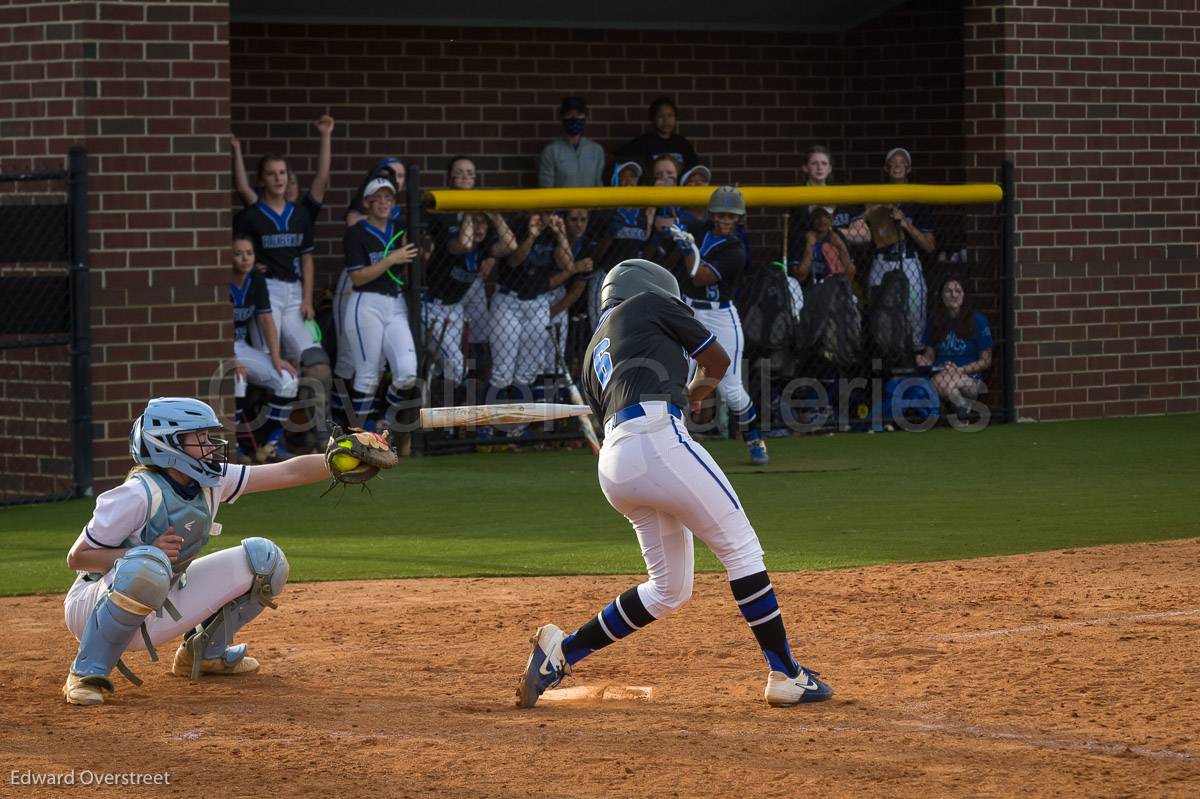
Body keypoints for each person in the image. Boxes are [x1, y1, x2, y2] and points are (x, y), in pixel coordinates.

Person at [515, 259, 832, 709]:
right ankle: (786, 673)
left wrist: (683, 396)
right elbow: (717, 362)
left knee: (669, 588)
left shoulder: (591, 352)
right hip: (656, 440)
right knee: (741, 549)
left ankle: (561, 653)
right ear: (650, 289)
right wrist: (695, 393)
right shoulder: (649, 304)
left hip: (615, 462)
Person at [61, 397, 339, 706]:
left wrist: (337, 459)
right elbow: (78, 557)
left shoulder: (209, 480)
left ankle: (205, 654)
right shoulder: (137, 494)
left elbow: (289, 473)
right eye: (201, 438)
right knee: (147, 564)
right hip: (93, 606)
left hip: (160, 597)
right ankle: (85, 673)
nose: (211, 445)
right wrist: (138, 552)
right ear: (169, 444)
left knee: (266, 561)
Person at [232, 124, 336, 454]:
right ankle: (264, 441)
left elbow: (307, 259)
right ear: (262, 179)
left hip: (295, 296)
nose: (278, 179)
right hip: (267, 296)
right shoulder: (251, 215)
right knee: (274, 367)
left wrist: (307, 298)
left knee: (317, 363)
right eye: (272, 174)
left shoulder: (300, 214)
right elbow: (239, 243)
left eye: (283, 173)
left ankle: (321, 437)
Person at [669, 186, 769, 466]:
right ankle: (675, 443)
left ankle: (754, 439)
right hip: (689, 310)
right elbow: (672, 219)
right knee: (676, 377)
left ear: (739, 219)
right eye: (721, 215)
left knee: (731, 389)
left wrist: (688, 248)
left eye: (731, 216)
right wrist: (673, 226)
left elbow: (699, 276)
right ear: (712, 214)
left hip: (720, 316)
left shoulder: (736, 249)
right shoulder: (700, 229)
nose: (726, 220)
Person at [487, 212, 591, 417]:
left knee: (527, 371)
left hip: (538, 303)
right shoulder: (519, 225)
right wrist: (532, 236)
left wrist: (561, 236)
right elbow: (515, 261)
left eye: (550, 212)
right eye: (542, 212)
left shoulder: (554, 232)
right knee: (502, 372)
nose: (546, 217)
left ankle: (517, 424)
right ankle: (489, 425)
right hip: (509, 301)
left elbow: (568, 266)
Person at [341, 177, 420, 431]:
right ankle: (356, 436)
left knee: (407, 372)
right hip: (366, 302)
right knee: (367, 374)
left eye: (389, 197)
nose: (384, 202)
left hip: (396, 302)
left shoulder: (400, 228)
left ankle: (384, 420)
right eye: (378, 197)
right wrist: (391, 259)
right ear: (367, 202)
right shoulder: (356, 232)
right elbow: (357, 277)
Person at [844, 147, 936, 351]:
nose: (897, 166)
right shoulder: (876, 194)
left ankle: (914, 355)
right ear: (886, 168)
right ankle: (883, 358)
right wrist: (876, 207)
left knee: (913, 310)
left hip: (909, 260)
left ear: (908, 168)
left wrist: (906, 224)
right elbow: (856, 227)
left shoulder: (918, 198)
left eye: (901, 162)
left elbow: (929, 246)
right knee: (879, 311)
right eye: (892, 163)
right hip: (881, 261)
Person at [423, 212, 514, 397]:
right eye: (475, 221)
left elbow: (510, 245)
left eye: (483, 224)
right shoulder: (450, 242)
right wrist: (468, 214)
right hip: (431, 308)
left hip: (454, 309)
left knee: (447, 368)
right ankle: (442, 407)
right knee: (457, 365)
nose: (480, 227)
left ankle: (447, 418)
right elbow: (464, 244)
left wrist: (495, 216)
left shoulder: (483, 248)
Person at [229, 233, 298, 462]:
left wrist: (276, 357)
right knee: (237, 380)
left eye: (249, 253)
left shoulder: (256, 279)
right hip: (221, 348)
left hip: (241, 345)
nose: (244, 259)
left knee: (288, 379)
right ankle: (235, 446)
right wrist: (230, 359)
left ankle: (267, 443)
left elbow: (266, 319)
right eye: (238, 254)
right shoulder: (223, 280)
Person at [918, 276, 993, 420]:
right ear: (941, 295)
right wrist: (924, 361)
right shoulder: (934, 320)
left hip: (969, 379)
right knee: (941, 382)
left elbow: (986, 361)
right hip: (942, 373)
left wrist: (960, 370)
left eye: (958, 291)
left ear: (964, 295)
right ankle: (962, 410)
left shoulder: (978, 320)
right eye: (948, 291)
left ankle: (956, 408)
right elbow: (930, 356)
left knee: (943, 383)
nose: (953, 295)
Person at [613, 96, 700, 175]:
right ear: (653, 119)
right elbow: (617, 158)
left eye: (670, 116)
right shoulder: (643, 142)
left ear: (675, 117)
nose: (666, 121)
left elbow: (695, 169)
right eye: (660, 116)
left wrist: (678, 166)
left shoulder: (682, 143)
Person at [537, 96, 605, 189]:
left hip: (589, 203)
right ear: (562, 118)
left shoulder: (596, 151)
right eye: (569, 114)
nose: (574, 118)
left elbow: (599, 186)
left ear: (586, 117)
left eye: (579, 114)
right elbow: (545, 189)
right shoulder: (551, 151)